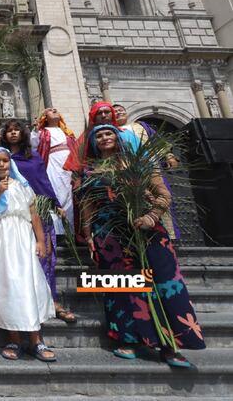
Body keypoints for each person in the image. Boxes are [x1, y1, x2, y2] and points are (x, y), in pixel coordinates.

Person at [79, 124, 205, 367]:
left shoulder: (139, 163)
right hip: (109, 234)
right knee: (119, 286)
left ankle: (170, 345)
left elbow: (164, 195)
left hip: (146, 228)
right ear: (93, 143)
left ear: (118, 137)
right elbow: (87, 206)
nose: (104, 138)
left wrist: (151, 217)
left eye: (109, 133)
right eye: (99, 136)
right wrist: (89, 236)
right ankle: (127, 339)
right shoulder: (90, 171)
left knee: (162, 283)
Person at [0, 147, 56, 362]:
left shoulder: (22, 185)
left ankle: (36, 340)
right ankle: (14, 339)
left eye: (5, 160)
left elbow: (33, 214)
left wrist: (40, 240)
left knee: (29, 283)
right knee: (6, 285)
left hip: (22, 237)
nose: (2, 164)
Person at [1, 120, 76, 323]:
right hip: (13, 212)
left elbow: (43, 180)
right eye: (9, 130)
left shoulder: (33, 157)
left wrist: (55, 203)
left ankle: (51, 300)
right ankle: (22, 302)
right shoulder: (1, 158)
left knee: (46, 255)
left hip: (39, 207)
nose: (13, 133)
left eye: (16, 130)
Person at [113, 104, 181, 239]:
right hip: (127, 172)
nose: (119, 112)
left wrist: (169, 156)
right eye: (115, 111)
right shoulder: (110, 132)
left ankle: (165, 234)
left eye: (121, 110)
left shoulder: (141, 126)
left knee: (161, 196)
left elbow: (157, 142)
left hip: (150, 167)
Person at [31, 108, 77, 235]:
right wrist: (35, 129)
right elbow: (33, 144)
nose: (54, 110)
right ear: (45, 117)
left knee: (70, 196)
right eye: (50, 111)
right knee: (57, 194)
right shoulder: (42, 132)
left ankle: (70, 232)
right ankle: (57, 233)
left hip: (69, 166)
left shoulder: (67, 132)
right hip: (53, 165)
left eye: (55, 110)